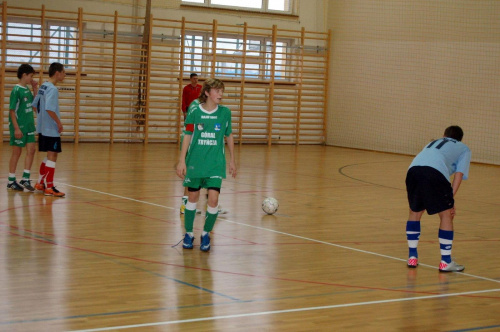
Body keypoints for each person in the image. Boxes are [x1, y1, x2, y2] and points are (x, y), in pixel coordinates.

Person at [176, 78, 236, 252]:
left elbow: (229, 135)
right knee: (192, 198)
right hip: (195, 162)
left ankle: (205, 234)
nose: (221, 94)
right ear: (207, 93)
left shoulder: (225, 113)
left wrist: (232, 160)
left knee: (214, 199)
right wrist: (182, 161)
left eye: (222, 91)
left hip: (215, 163)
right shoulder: (195, 111)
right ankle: (188, 233)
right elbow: (187, 135)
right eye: (217, 91)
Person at [405, 125, 471, 272]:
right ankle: (446, 261)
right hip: (434, 173)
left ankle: (412, 257)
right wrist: (450, 201)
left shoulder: (432, 143)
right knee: (446, 214)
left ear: (444, 135)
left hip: (413, 171)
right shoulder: (464, 148)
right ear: (460, 139)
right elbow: (458, 175)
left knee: (415, 212)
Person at [32, 62, 66, 197]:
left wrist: (41, 119)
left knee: (49, 156)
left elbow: (35, 106)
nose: (64, 75)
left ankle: (40, 183)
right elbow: (50, 109)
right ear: (57, 73)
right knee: (53, 156)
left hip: (42, 128)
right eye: (63, 72)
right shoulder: (52, 89)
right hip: (50, 128)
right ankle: (49, 187)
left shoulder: (43, 87)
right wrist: (58, 123)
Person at [7, 64, 38, 192]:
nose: (31, 78)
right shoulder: (16, 90)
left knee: (31, 150)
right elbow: (12, 111)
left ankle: (25, 178)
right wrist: (16, 128)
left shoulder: (27, 89)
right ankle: (11, 180)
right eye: (30, 76)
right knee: (17, 152)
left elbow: (34, 104)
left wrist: (35, 88)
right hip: (19, 126)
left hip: (29, 125)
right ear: (24, 75)